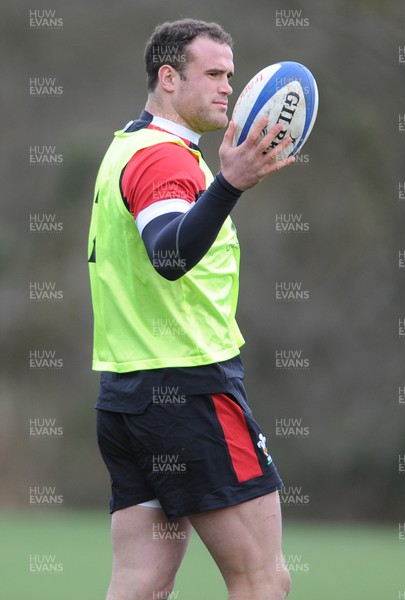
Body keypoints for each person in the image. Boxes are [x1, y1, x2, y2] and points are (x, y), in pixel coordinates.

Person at [88, 18, 294, 600]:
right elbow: (169, 254)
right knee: (262, 579)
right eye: (213, 74)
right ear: (169, 77)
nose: (229, 87)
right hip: (190, 392)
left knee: (143, 583)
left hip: (127, 397)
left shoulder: (126, 146)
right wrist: (228, 185)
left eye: (231, 74)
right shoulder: (165, 159)